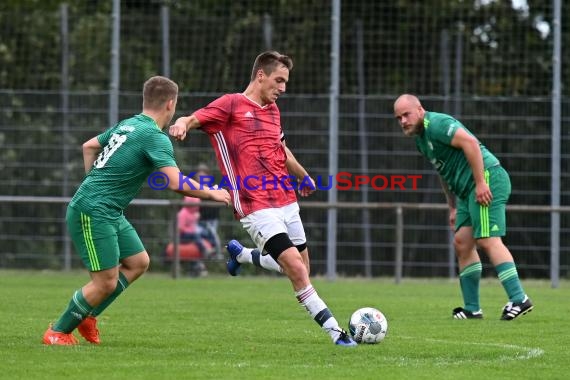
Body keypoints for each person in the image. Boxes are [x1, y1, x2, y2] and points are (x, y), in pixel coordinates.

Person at [169, 51, 356, 346]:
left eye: (285, 82)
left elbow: (282, 150)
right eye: (279, 80)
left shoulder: (273, 110)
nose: (283, 88)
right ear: (261, 76)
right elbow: (192, 118)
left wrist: (303, 175)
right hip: (254, 204)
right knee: (295, 267)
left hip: (286, 198)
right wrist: (181, 125)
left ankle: (241, 255)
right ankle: (337, 334)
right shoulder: (231, 104)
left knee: (302, 268)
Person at [43, 76, 231, 345]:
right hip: (94, 210)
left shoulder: (128, 125)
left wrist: (92, 180)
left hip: (107, 209)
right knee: (105, 282)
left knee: (138, 262)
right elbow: (176, 183)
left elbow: (89, 146)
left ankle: (87, 315)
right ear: (170, 104)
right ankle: (58, 332)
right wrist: (211, 192)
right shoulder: (154, 136)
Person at [393, 94, 533, 321]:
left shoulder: (437, 124)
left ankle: (519, 298)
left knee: (488, 239)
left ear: (420, 109)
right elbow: (443, 172)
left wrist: (480, 183)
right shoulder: (421, 140)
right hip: (466, 192)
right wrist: (452, 206)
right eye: (398, 118)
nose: (403, 121)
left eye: (406, 114)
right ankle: (472, 309)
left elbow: (470, 143)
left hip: (487, 179)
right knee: (462, 243)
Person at [192, 163, 222, 257]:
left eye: (203, 176)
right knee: (194, 233)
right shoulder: (193, 189)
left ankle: (218, 254)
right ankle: (206, 252)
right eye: (199, 176)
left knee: (213, 235)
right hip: (197, 221)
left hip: (210, 221)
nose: (201, 178)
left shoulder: (213, 189)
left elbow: (216, 207)